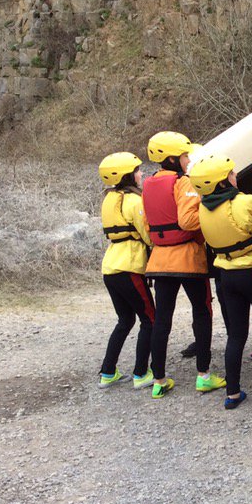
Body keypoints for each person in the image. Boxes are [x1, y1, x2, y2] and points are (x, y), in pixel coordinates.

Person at [190, 154, 252, 409]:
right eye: (231, 174)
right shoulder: (244, 201)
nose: (235, 176)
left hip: (226, 274)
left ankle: (232, 393)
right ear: (222, 182)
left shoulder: (202, 207)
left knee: (236, 334)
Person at [142, 131, 226, 400]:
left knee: (162, 320)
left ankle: (159, 380)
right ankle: (203, 376)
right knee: (202, 313)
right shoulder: (183, 182)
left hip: (159, 259)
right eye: (184, 156)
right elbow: (189, 222)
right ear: (171, 159)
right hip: (188, 258)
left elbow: (147, 226)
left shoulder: (147, 184)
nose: (188, 160)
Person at [97, 152, 155, 390]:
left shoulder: (108, 199)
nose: (140, 174)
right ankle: (141, 373)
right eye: (137, 170)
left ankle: (107, 372)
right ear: (127, 175)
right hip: (129, 267)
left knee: (125, 320)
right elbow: (148, 235)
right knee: (150, 320)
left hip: (110, 266)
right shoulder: (134, 202)